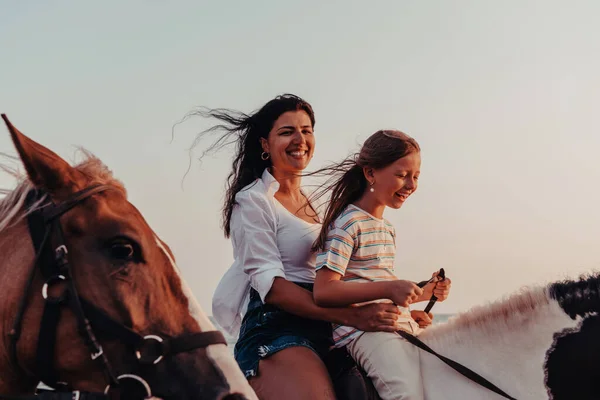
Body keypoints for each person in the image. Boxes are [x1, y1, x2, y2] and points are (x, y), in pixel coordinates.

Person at [188, 94, 407, 400]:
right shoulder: (253, 201)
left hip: (331, 322)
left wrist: (399, 313)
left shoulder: (319, 202)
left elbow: (345, 271)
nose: (299, 139)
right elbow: (274, 289)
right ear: (265, 144)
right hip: (278, 326)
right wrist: (354, 316)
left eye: (306, 130)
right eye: (287, 131)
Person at [312, 129, 452, 400]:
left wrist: (424, 294)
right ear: (370, 173)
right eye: (402, 175)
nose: (411, 185)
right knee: (405, 394)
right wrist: (390, 289)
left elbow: (370, 281)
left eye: (416, 177)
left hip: (389, 325)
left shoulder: (386, 228)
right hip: (361, 333)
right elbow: (324, 291)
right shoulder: (348, 223)